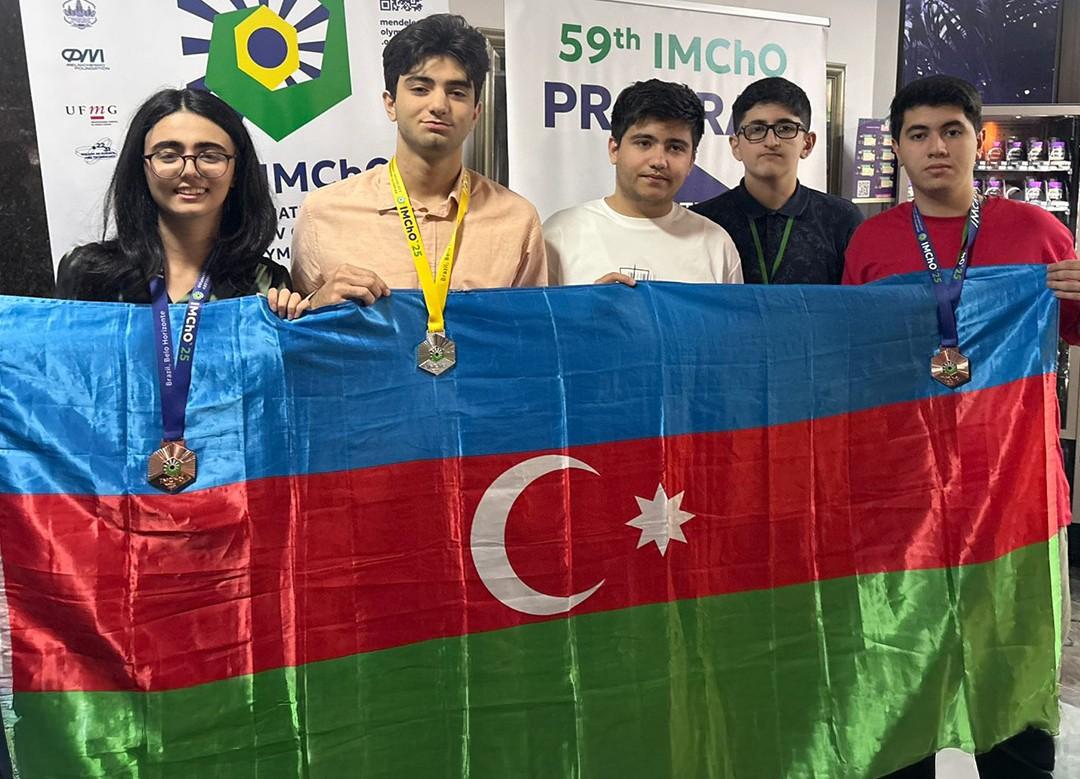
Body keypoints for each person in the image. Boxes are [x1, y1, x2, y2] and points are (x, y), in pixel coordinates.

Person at [845, 74, 1075, 779]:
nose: (936, 147)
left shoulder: (1037, 231)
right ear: (898, 148)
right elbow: (853, 359)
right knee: (899, 664)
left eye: (952, 131)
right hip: (903, 493)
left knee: (1010, 666)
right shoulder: (873, 240)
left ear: (979, 141)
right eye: (918, 134)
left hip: (1012, 491)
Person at [291, 13, 546, 308]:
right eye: (420, 89)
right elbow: (300, 329)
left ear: (475, 113)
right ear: (391, 104)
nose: (438, 105)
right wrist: (316, 303)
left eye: (457, 92)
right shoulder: (322, 214)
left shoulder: (517, 220)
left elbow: (531, 328)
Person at [55, 88, 305, 318]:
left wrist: (293, 321)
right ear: (142, 169)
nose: (190, 171)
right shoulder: (87, 272)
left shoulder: (265, 285)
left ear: (236, 172)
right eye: (168, 155)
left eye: (210, 155)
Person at [544, 79, 742, 287]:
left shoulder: (717, 246)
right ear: (614, 149)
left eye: (675, 147)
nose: (659, 161)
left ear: (691, 160)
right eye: (644, 143)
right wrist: (585, 304)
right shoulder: (559, 234)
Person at [691, 77, 862, 285]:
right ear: (736, 146)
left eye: (786, 128)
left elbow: (857, 299)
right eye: (756, 129)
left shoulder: (841, 219)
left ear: (807, 144)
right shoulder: (704, 221)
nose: (771, 142)